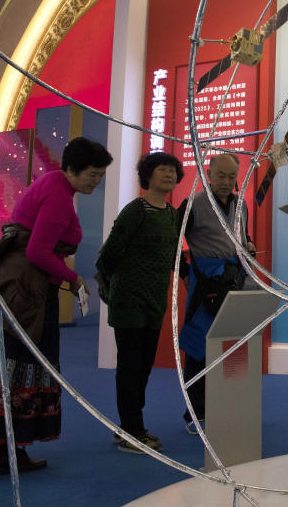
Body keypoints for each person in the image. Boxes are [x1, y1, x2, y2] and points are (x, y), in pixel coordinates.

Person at [0, 137, 112, 475]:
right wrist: (74, 279)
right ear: (72, 169)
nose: (96, 181)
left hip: (10, 289)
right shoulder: (59, 197)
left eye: (101, 176)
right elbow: (39, 252)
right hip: (27, 297)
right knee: (19, 367)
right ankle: (7, 453)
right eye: (93, 175)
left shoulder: (50, 184)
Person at [99, 152, 183, 454]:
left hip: (153, 301)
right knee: (131, 366)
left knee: (143, 366)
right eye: (162, 169)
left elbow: (174, 258)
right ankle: (131, 431)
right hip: (129, 301)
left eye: (173, 170)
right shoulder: (136, 211)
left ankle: (131, 426)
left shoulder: (173, 215)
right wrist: (113, 286)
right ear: (147, 175)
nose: (169, 175)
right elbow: (109, 254)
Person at [177, 153, 256, 434]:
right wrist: (187, 276)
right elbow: (174, 248)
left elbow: (242, 238)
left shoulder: (241, 204)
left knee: (234, 344)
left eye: (231, 176)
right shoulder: (193, 205)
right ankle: (195, 414)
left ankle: (230, 408)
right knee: (200, 348)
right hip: (205, 284)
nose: (225, 182)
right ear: (208, 175)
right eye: (220, 175)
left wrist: (247, 244)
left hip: (235, 280)